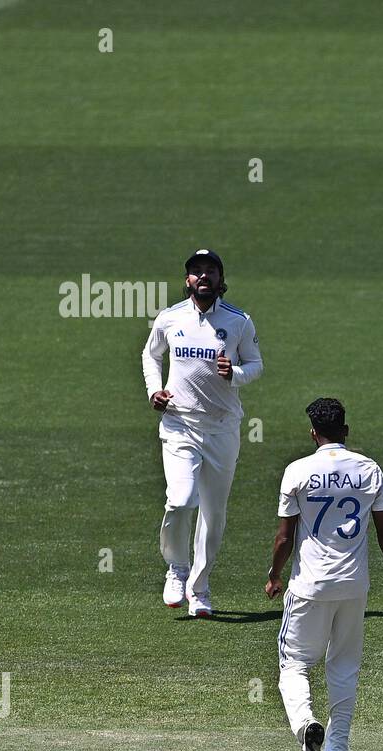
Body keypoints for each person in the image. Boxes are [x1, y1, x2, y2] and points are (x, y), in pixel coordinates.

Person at [267, 398, 383, 751]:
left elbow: (285, 537)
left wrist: (274, 574)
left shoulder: (297, 471)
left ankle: (306, 727)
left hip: (309, 586)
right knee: (344, 667)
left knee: (293, 664)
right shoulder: (369, 470)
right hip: (354, 586)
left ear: (313, 433)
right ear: (346, 431)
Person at [142, 249, 263, 616]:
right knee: (180, 500)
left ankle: (200, 589)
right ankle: (177, 568)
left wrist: (235, 374)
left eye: (210, 270)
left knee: (214, 513)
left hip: (223, 428)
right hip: (179, 424)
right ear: (188, 280)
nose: (203, 276)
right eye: (196, 271)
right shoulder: (170, 318)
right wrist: (154, 390)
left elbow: (256, 364)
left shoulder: (238, 321)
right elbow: (151, 355)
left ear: (220, 278)